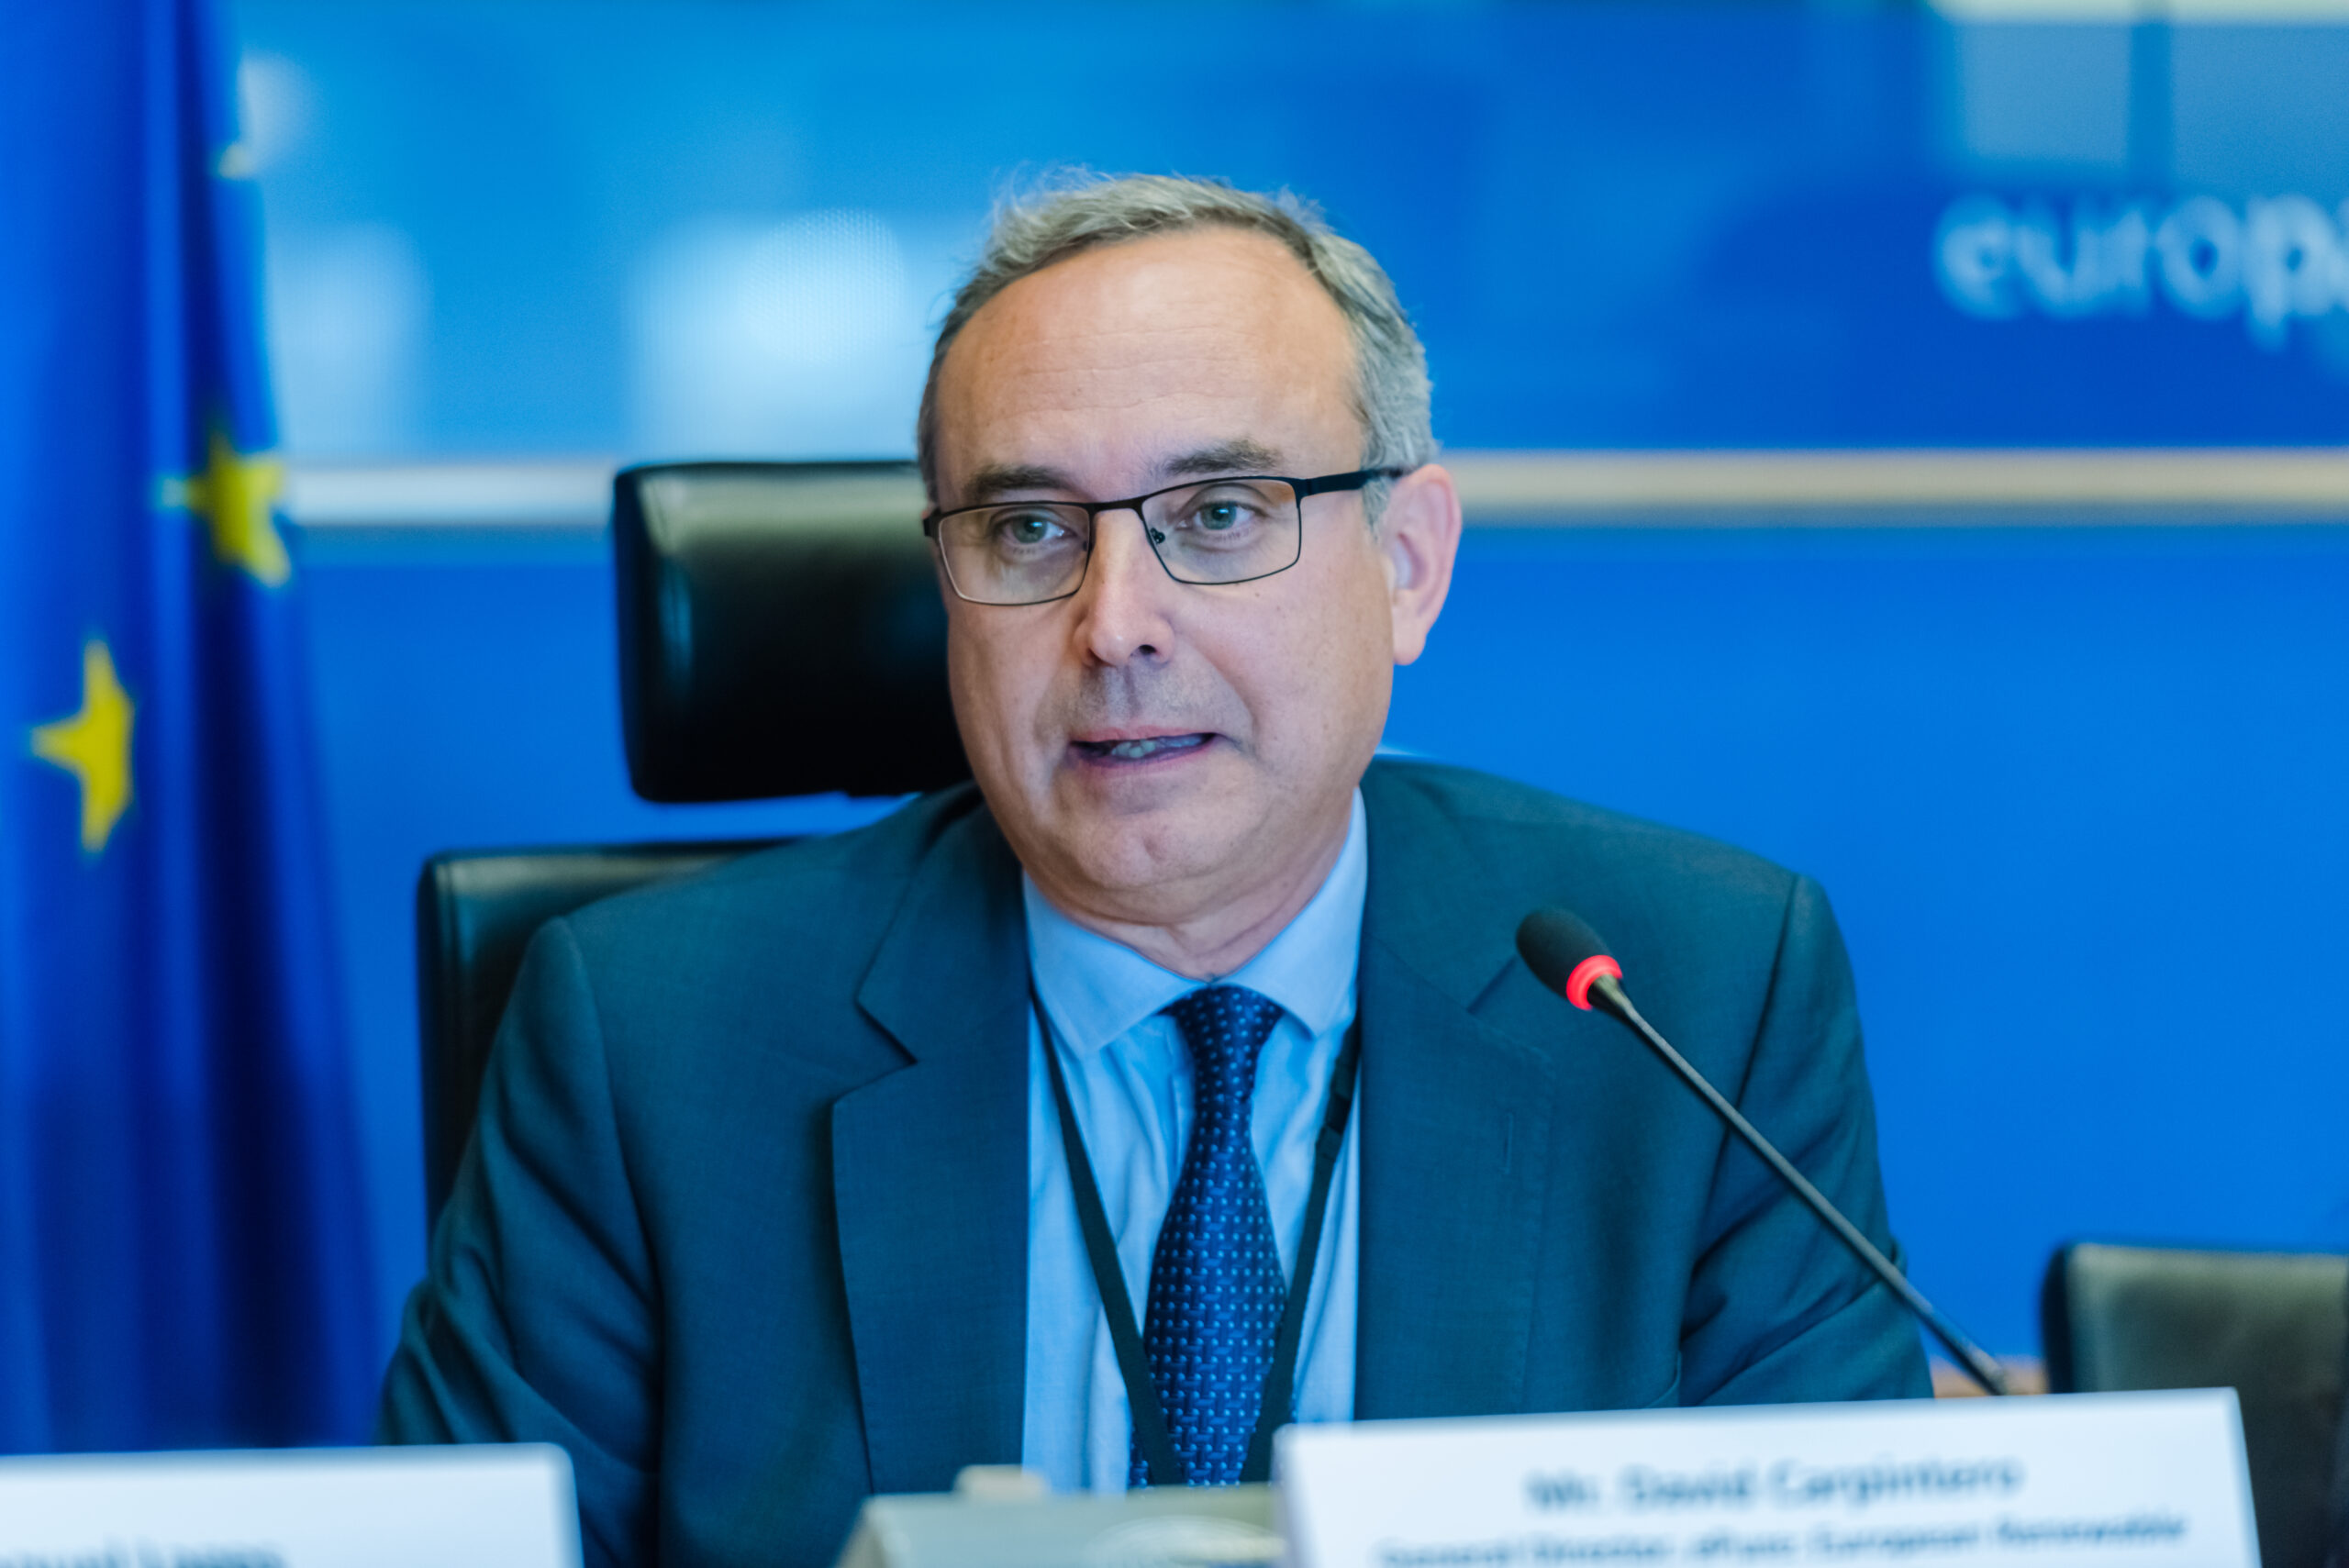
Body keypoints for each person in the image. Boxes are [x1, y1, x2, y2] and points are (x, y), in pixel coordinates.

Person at [378, 173, 1929, 1567]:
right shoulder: (651, 1039)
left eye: (1220, 513)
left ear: (1406, 564)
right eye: (1029, 529)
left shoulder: (1691, 995)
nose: (1115, 623)